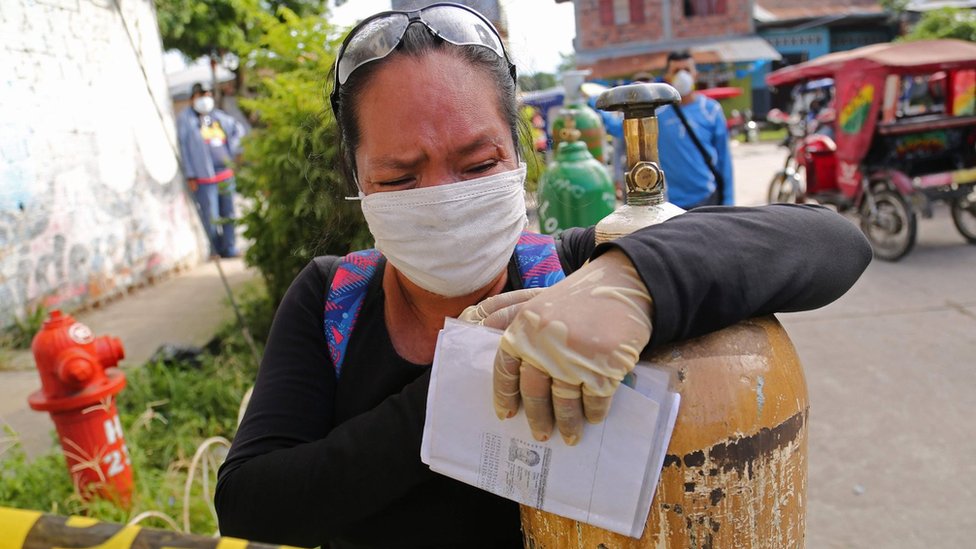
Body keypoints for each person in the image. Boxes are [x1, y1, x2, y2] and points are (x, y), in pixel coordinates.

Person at [214, 4, 871, 547]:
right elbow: (251, 501)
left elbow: (832, 241)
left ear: (521, 156)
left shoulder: (573, 270)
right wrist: (468, 384)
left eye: (476, 164)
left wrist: (629, 283)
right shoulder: (333, 301)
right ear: (356, 181)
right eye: (400, 176)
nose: (441, 195)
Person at [655, 50, 734, 209]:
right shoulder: (657, 114)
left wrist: (728, 203)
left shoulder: (711, 110)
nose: (682, 75)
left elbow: (725, 160)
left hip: (707, 199)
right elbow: (621, 130)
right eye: (676, 71)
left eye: (687, 70)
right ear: (668, 77)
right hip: (671, 204)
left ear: (695, 75)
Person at [176, 81, 247, 258]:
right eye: (201, 96)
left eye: (208, 95)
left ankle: (230, 248)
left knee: (229, 213)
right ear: (193, 98)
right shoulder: (186, 120)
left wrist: (235, 151)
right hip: (204, 178)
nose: (205, 99)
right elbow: (184, 148)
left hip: (225, 174)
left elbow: (238, 130)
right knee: (211, 217)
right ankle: (215, 250)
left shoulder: (218, 117)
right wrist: (190, 175)